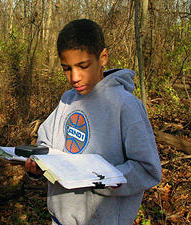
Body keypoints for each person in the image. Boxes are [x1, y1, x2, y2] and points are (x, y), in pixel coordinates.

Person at [25, 19, 162, 225]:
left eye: (83, 66)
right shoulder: (67, 100)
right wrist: (38, 167)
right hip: (60, 219)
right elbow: (45, 144)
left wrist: (99, 178)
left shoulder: (126, 106)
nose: (75, 77)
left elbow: (147, 170)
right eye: (67, 68)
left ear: (103, 57)